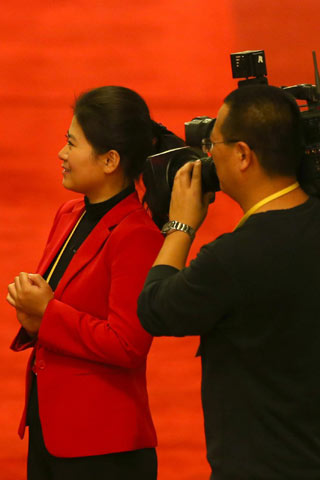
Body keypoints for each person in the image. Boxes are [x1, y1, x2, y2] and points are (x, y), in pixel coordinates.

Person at [137, 85, 320, 479]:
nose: (207, 154)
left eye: (212, 142)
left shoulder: (232, 258)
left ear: (242, 155)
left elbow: (155, 308)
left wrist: (180, 226)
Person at [7, 86, 165, 480]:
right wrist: (32, 318)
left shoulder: (137, 235)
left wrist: (46, 313)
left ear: (110, 160)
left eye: (72, 144)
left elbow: (128, 344)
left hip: (104, 446)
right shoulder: (70, 212)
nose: (62, 154)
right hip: (51, 430)